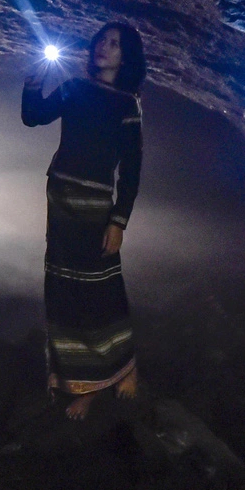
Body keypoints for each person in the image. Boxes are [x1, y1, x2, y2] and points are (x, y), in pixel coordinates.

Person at [23, 22, 146, 420]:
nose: (104, 48)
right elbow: (33, 117)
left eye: (115, 44)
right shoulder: (75, 88)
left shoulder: (127, 105)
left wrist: (119, 221)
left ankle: (121, 370)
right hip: (60, 205)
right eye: (102, 41)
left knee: (101, 290)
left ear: (126, 57)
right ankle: (77, 381)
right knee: (62, 289)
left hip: (95, 211)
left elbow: (131, 170)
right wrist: (32, 83)